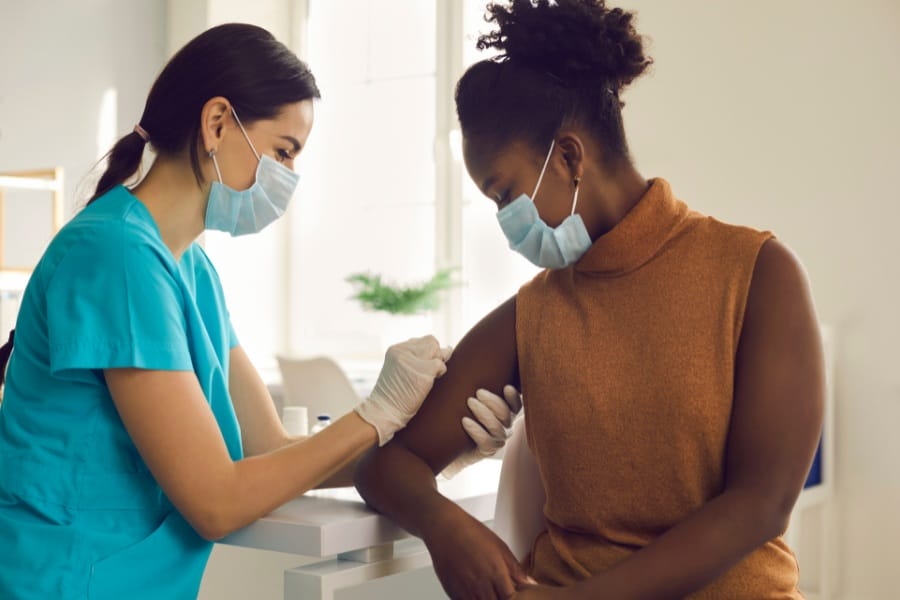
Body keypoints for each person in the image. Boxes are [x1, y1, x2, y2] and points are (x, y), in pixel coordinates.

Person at [0, 24, 520, 599]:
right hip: (66, 580)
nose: (289, 178)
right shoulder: (117, 256)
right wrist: (375, 412)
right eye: (282, 151)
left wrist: (435, 448)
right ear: (217, 123)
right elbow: (217, 503)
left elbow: (267, 451)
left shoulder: (190, 270)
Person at [353, 1, 826, 598]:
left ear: (570, 157)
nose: (505, 221)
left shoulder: (759, 275)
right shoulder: (535, 313)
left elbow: (762, 504)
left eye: (506, 194)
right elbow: (388, 466)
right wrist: (445, 527)